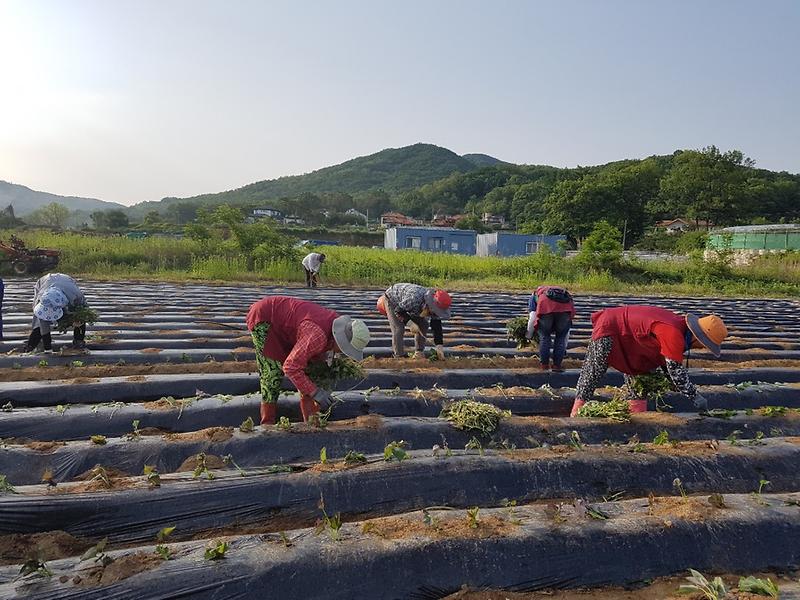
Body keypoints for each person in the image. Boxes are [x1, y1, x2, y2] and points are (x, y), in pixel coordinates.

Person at [570, 305, 728, 416]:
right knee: (594, 370)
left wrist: (672, 382)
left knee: (640, 376)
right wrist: (694, 396)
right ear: (699, 337)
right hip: (610, 326)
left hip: (633, 340)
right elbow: (675, 370)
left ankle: (637, 415)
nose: (702, 348)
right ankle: (577, 412)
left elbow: (668, 366)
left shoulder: (679, 330)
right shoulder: (673, 333)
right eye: (704, 345)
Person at [246, 295, 370, 425]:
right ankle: (267, 423)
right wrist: (315, 392)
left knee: (311, 374)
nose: (343, 353)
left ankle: (311, 422)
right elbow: (290, 367)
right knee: (272, 373)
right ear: (341, 341)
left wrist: (322, 383)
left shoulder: (335, 328)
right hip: (266, 319)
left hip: (289, 326)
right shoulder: (318, 336)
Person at [377, 283, 451, 360]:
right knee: (399, 328)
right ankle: (399, 356)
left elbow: (437, 327)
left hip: (409, 305)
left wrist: (439, 347)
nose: (436, 313)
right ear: (431, 305)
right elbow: (398, 311)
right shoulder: (414, 299)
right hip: (392, 300)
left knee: (424, 324)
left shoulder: (433, 309)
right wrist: (410, 323)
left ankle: (419, 352)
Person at [20, 273, 90, 353]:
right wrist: (48, 348)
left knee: (79, 316)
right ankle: (31, 345)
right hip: (45, 282)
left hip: (66, 282)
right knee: (38, 322)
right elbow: (43, 322)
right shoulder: (41, 299)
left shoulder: (76, 295)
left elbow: (84, 310)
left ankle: (78, 342)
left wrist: (78, 320)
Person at [526, 285, 575, 372]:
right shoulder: (564, 295)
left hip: (545, 309)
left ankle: (544, 365)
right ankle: (557, 366)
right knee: (560, 338)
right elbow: (566, 330)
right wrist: (565, 347)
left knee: (545, 337)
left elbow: (533, 316)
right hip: (565, 311)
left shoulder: (535, 295)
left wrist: (528, 336)